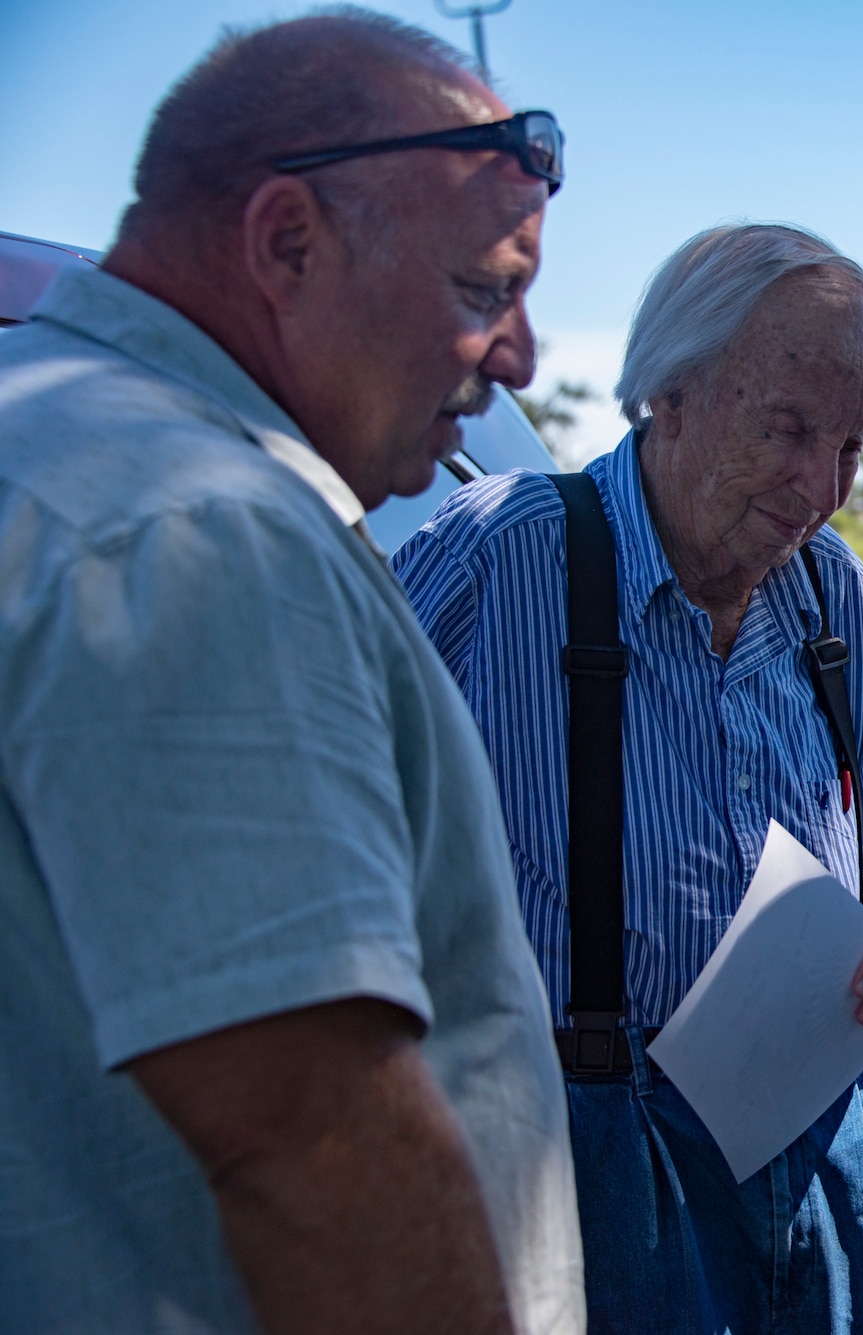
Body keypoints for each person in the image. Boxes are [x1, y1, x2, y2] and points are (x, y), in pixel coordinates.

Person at [0, 13, 584, 1334]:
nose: (521, 365)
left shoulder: (51, 451)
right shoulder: (203, 526)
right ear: (286, 243)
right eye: (485, 290)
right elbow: (310, 1140)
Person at [395, 222, 863, 1334]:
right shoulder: (498, 558)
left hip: (820, 1136)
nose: (822, 486)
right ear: (668, 389)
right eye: (789, 429)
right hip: (582, 1154)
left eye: (850, 444)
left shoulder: (831, 595)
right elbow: (346, 843)